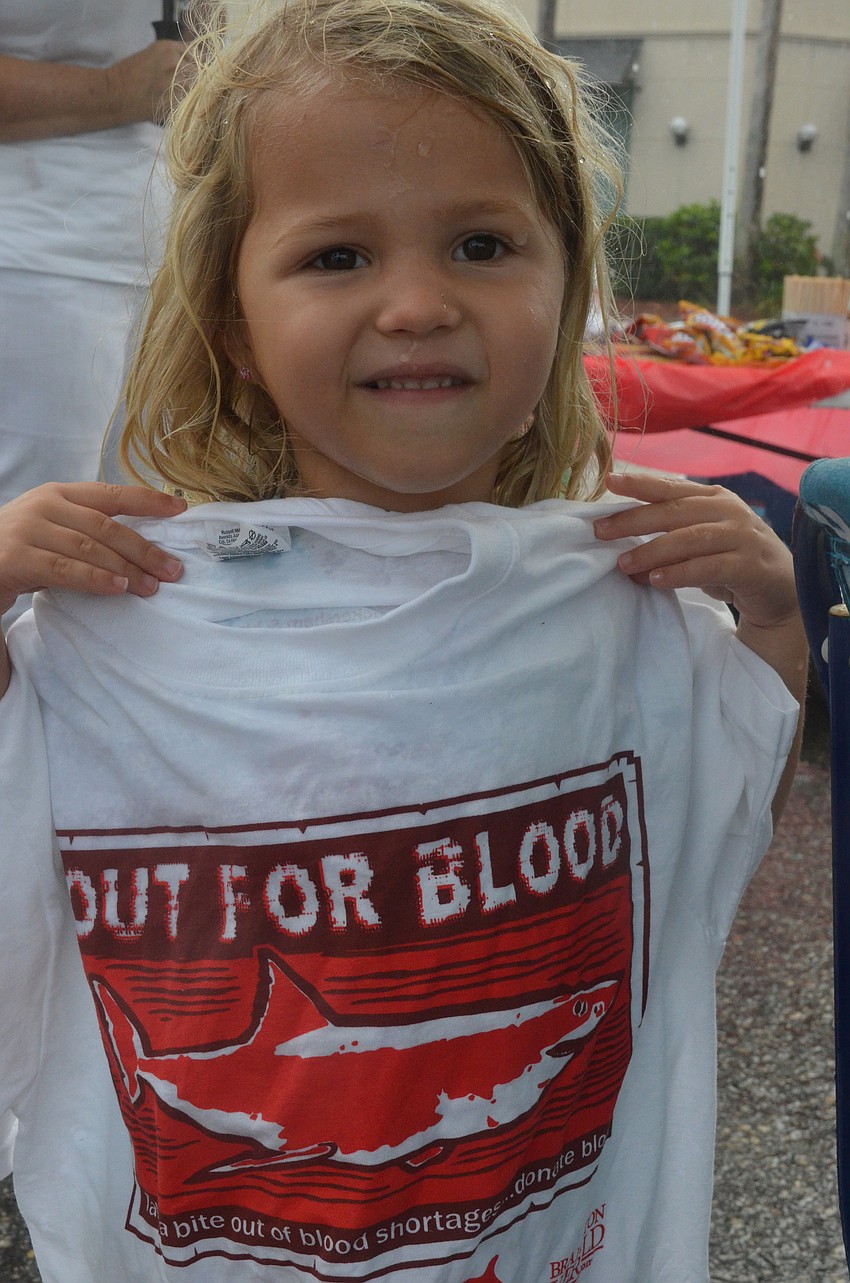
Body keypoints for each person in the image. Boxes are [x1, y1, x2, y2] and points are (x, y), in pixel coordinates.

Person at [0, 1, 808, 1280]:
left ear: (566, 291)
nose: (418, 303)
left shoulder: (624, 599)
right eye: (337, 256)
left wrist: (770, 623)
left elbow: (721, 801)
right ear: (234, 328)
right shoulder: (119, 622)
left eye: (482, 244)